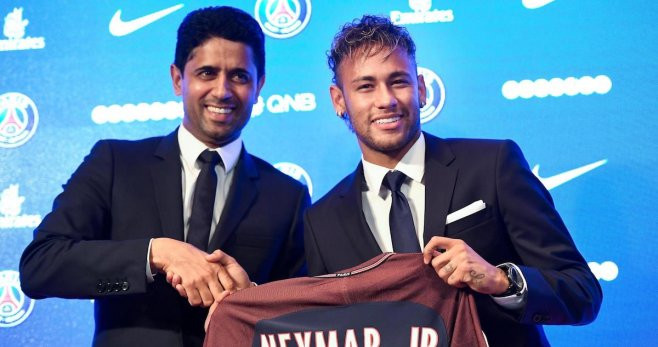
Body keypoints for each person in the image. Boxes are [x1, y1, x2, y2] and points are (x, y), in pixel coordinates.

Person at [303, 15, 602, 346]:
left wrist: (500, 279)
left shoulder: (493, 166)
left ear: (421, 88)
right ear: (339, 100)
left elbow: (581, 292)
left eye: (398, 81)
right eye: (365, 86)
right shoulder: (323, 221)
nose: (385, 99)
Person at [19, 6, 309, 347]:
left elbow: (303, 318)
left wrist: (252, 298)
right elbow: (40, 267)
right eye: (206, 73)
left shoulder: (287, 196)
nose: (222, 91)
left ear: (259, 85)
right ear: (177, 79)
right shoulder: (115, 163)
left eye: (239, 76)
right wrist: (155, 253)